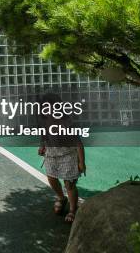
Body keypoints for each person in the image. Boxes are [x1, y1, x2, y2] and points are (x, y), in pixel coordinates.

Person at [37, 94, 86, 223]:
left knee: (69, 184)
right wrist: (42, 146)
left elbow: (78, 143)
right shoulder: (44, 122)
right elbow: (44, 136)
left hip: (68, 155)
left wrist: (81, 163)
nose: (47, 110)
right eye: (44, 107)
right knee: (52, 178)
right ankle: (61, 197)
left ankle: (72, 209)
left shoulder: (67, 122)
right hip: (51, 155)